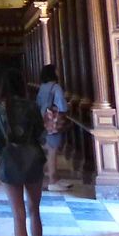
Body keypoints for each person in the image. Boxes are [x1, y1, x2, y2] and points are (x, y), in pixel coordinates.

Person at [0, 69, 47, 236]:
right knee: (35, 210)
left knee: (18, 215)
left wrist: (1, 159)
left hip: (10, 162)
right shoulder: (31, 106)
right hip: (32, 160)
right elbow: (40, 134)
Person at [37, 64, 71, 192]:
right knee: (53, 151)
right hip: (54, 122)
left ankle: (54, 177)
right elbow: (62, 106)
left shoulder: (42, 87)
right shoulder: (56, 87)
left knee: (50, 149)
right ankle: (52, 180)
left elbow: (38, 103)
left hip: (44, 120)